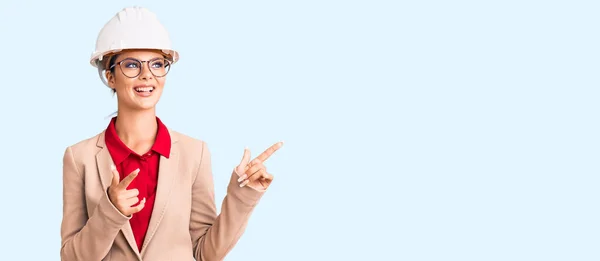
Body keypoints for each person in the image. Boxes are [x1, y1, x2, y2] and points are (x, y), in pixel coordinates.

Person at [60, 6, 283, 261]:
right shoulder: (79, 158)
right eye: (132, 65)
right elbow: (71, 258)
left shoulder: (194, 153)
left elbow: (204, 253)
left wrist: (242, 196)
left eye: (157, 64)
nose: (147, 75)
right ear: (110, 76)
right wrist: (110, 211)